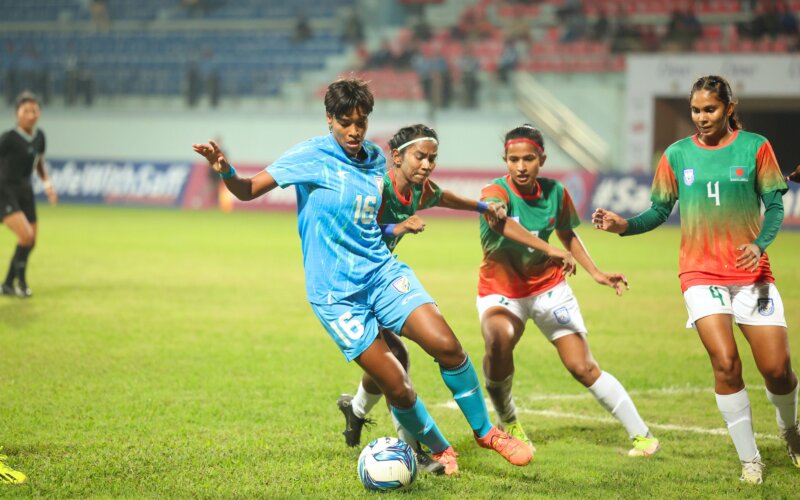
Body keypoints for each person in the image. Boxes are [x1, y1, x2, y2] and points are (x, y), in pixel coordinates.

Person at [192, 78, 533, 476]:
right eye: (345, 121)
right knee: (398, 384)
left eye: (362, 121)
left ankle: (485, 433)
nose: (354, 131)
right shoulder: (310, 156)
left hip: (381, 273)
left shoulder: (374, 159)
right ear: (329, 119)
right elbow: (248, 190)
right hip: (337, 295)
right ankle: (440, 450)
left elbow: (429, 194)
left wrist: (476, 206)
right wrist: (226, 169)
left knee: (448, 346)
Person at [592, 75, 797, 485]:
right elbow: (657, 211)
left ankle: (791, 429)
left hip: (753, 276)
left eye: (711, 110)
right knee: (725, 362)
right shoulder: (676, 154)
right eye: (696, 110)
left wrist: (759, 244)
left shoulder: (756, 147)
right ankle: (749, 459)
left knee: (777, 369)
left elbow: (776, 206)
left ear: (729, 108)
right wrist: (623, 226)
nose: (702, 118)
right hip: (701, 274)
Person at [476, 124, 660, 459]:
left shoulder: (556, 192)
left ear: (541, 158)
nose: (520, 166)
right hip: (501, 291)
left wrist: (596, 272)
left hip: (548, 288)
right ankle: (509, 421)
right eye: (513, 159)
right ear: (505, 160)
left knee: (583, 367)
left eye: (528, 158)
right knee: (498, 338)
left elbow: (568, 235)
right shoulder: (495, 192)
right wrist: (549, 250)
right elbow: (500, 222)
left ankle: (643, 436)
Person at [335, 124, 506, 475]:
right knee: (394, 360)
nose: (427, 164)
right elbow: (352, 228)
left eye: (432, 158)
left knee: (393, 358)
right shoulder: (376, 188)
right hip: (350, 284)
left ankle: (356, 411)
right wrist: (396, 229)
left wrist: (480, 206)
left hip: (381, 280)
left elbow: (443, 197)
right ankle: (414, 451)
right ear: (396, 157)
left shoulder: (419, 190)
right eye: (420, 156)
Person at [0, 91, 57, 298]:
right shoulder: (8, 138)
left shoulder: (39, 137)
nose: (31, 115)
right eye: (26, 111)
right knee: (25, 235)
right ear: (17, 114)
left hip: (26, 191)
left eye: (34, 110)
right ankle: (20, 282)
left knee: (31, 241)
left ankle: (8, 283)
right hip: (5, 190)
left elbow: (38, 162)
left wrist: (48, 185)